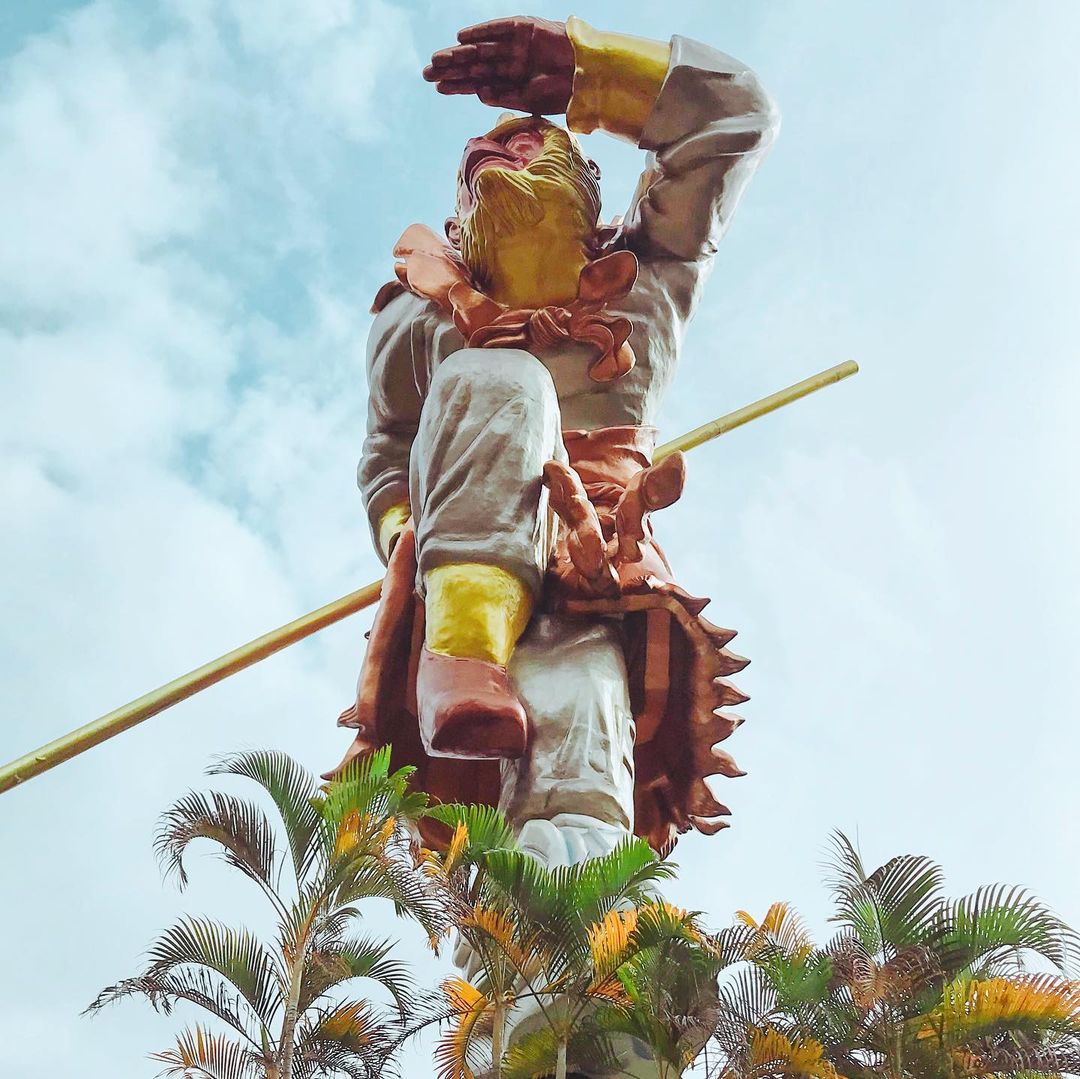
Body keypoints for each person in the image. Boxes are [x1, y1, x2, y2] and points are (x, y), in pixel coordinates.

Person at [330, 14, 777, 871]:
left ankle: (577, 939)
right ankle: (462, 654)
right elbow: (388, 450)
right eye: (480, 161)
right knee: (503, 382)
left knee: (582, 705)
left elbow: (737, 120)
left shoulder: (644, 290)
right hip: (463, 545)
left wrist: (591, 75)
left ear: (588, 192)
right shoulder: (424, 324)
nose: (500, 151)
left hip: (594, 552)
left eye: (533, 144)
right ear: (459, 227)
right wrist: (402, 538)